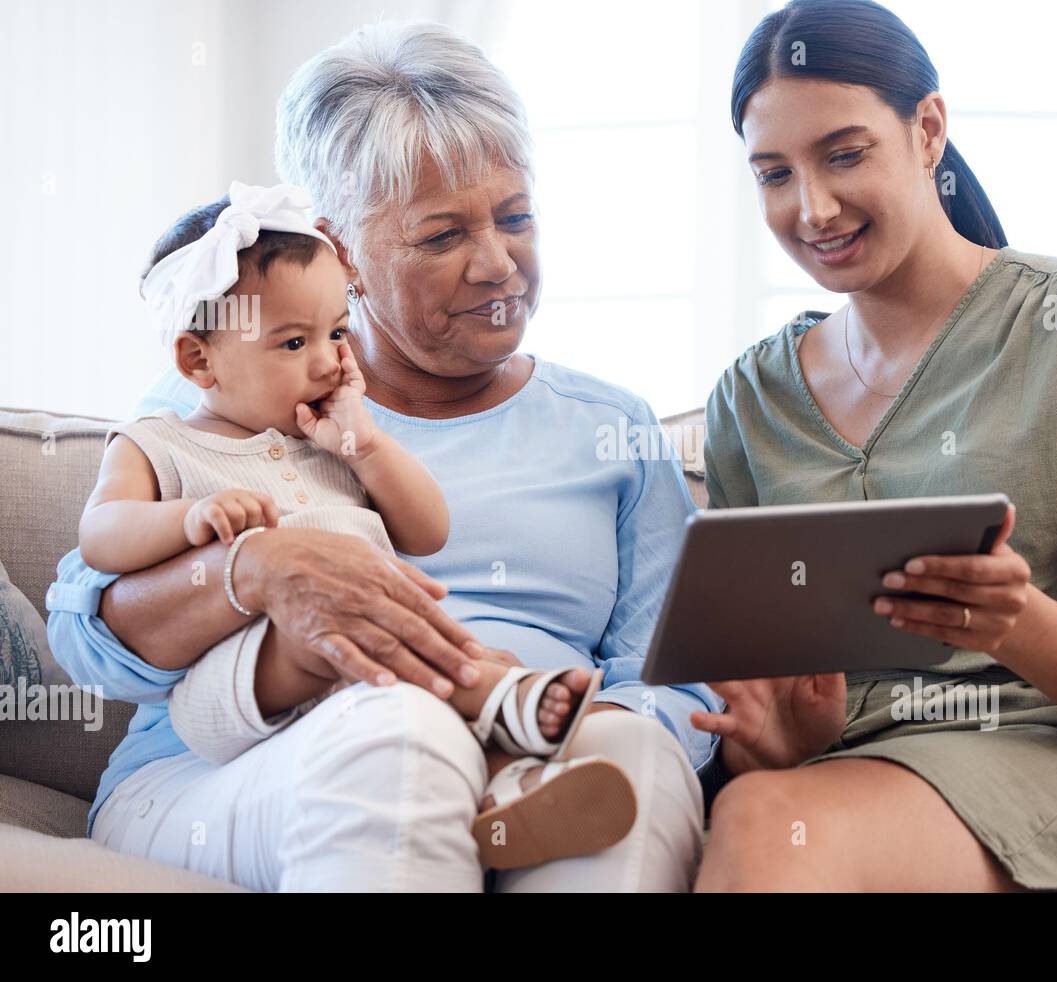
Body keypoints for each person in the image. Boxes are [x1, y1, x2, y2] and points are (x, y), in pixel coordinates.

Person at [47, 21, 718, 893]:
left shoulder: (611, 428)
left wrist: (540, 730)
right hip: (233, 769)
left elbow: (677, 681)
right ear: (344, 251)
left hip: (525, 748)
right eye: (441, 237)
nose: (497, 264)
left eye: (516, 218)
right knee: (404, 742)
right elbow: (87, 638)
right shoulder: (216, 406)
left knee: (635, 754)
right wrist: (250, 569)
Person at [691, 0, 1057, 893]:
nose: (811, 208)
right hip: (843, 785)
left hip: (1053, 767)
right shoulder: (749, 400)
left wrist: (1019, 623)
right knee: (763, 808)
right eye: (774, 173)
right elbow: (771, 705)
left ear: (928, 131)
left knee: (771, 823)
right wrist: (778, 745)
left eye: (844, 155)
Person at [77, 181, 637, 870]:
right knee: (371, 640)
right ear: (199, 360)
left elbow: (427, 533)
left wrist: (365, 445)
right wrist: (188, 518)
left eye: (336, 332)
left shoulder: (329, 443)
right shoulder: (159, 443)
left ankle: (505, 790)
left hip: (362, 686)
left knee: (443, 654)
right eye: (291, 342)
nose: (326, 361)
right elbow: (101, 535)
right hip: (237, 688)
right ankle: (505, 709)